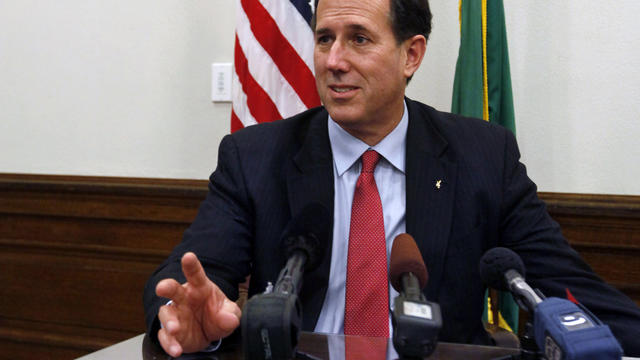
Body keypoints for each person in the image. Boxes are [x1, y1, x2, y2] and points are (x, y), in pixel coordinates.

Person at [143, 0, 640, 357]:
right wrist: (190, 321)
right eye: (324, 39)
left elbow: (569, 288)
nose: (333, 61)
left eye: (358, 38)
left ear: (412, 55)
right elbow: (186, 283)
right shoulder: (255, 156)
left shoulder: (483, 155)